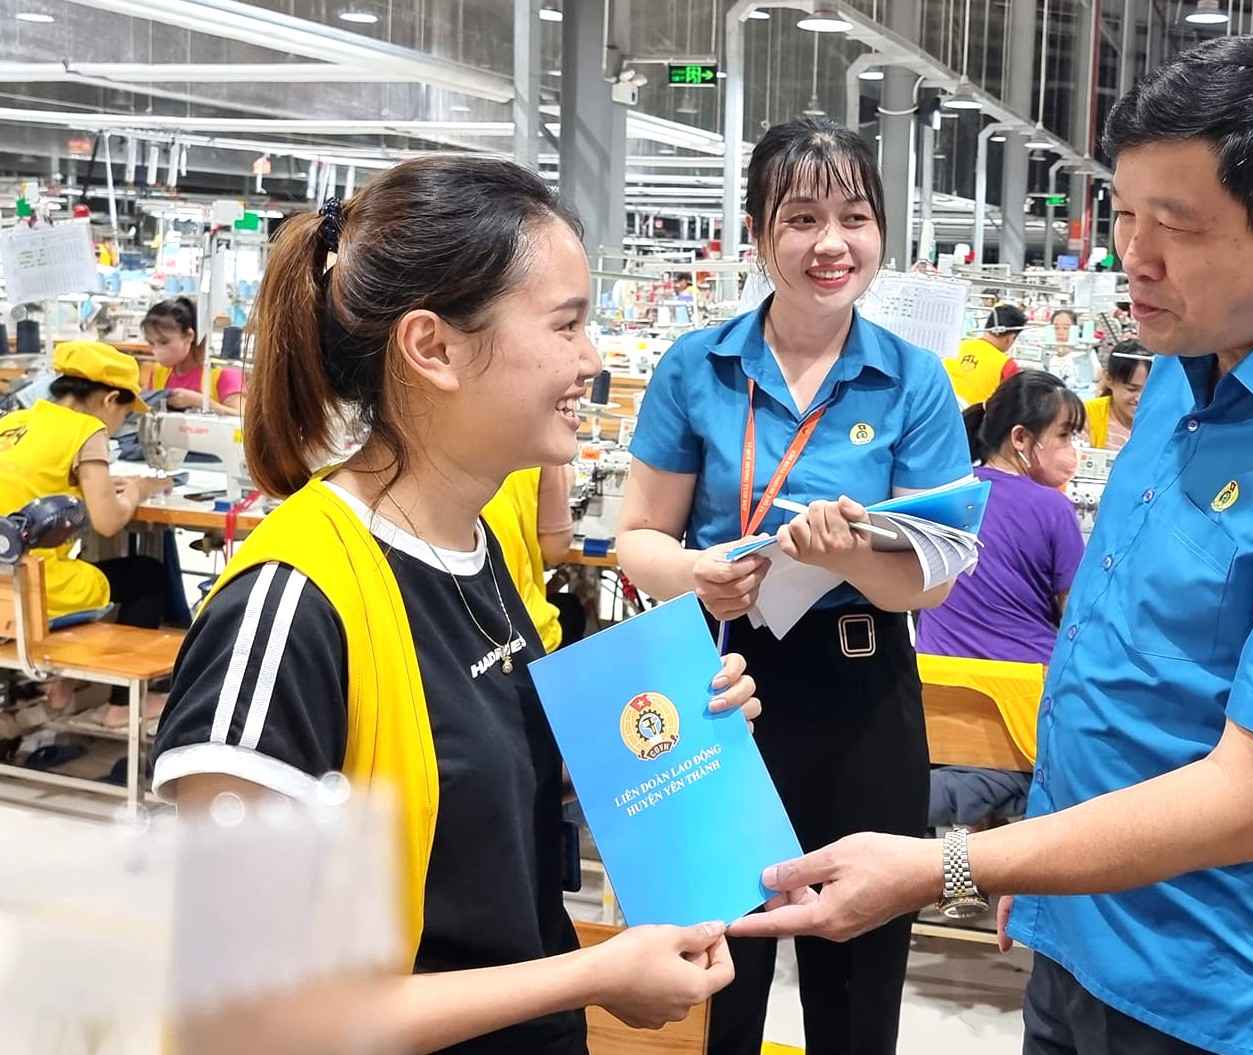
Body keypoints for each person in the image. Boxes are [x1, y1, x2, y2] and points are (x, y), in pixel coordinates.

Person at [730, 37, 1253, 1055]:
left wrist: (958, 864)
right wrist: (1039, 878)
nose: (1134, 257)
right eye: (1123, 215)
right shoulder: (1187, 357)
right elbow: (1116, 644)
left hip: (1222, 991)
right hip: (1078, 932)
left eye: (1176, 226)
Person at [151, 158, 759, 1053]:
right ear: (432, 347)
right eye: (567, 324)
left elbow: (477, 815)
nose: (592, 362)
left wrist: (667, 733)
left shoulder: (480, 552)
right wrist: (593, 972)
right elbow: (249, 1017)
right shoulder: (287, 608)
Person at [615, 117, 969, 1055]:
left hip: (862, 690)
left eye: (854, 216)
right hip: (720, 682)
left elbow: (924, 587)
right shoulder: (698, 365)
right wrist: (697, 572)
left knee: (857, 975)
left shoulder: (913, 380)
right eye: (801, 217)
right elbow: (634, 540)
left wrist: (845, 551)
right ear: (758, 231)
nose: (831, 243)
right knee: (716, 965)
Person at [918, 371, 1087, 827]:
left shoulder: (945, 495)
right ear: (1020, 438)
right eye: (1066, 436)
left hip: (934, 691)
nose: (1074, 452)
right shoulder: (1053, 508)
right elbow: (1076, 619)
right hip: (1023, 706)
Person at [0, 340, 172, 628]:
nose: (120, 423)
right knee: (147, 574)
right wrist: (137, 490)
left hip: (3, 574)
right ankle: (117, 666)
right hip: (34, 582)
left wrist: (95, 485)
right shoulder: (87, 429)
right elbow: (108, 523)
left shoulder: (12, 422)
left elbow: (33, 477)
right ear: (109, 399)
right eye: (125, 413)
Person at [481, 465, 575, 653]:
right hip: (526, 631)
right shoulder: (545, 450)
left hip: (460, 634)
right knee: (573, 611)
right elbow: (556, 552)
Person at [142, 296, 247, 415]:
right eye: (151, 343)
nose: (156, 350)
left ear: (189, 336)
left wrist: (203, 402)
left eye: (164, 342)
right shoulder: (157, 373)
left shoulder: (223, 376)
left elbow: (244, 418)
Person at [943, 302, 1026, 408]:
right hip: (975, 422)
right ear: (1010, 338)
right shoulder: (1007, 365)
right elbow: (1013, 405)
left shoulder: (955, 346)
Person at [1084, 340, 1152, 451]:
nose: (1140, 399)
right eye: (1132, 389)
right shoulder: (1087, 415)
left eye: (1149, 392)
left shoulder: (1164, 420)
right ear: (1109, 380)